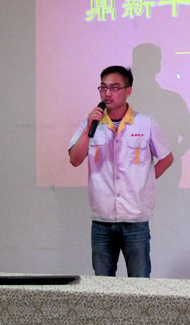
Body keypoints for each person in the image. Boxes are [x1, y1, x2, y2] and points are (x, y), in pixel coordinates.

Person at [68, 65, 174, 277]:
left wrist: (145, 182)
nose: (108, 93)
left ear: (128, 91)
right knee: (103, 284)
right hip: (102, 220)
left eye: (115, 88)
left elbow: (167, 158)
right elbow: (75, 159)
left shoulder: (145, 123)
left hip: (135, 219)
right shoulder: (91, 124)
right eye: (103, 87)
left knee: (139, 282)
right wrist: (89, 128)